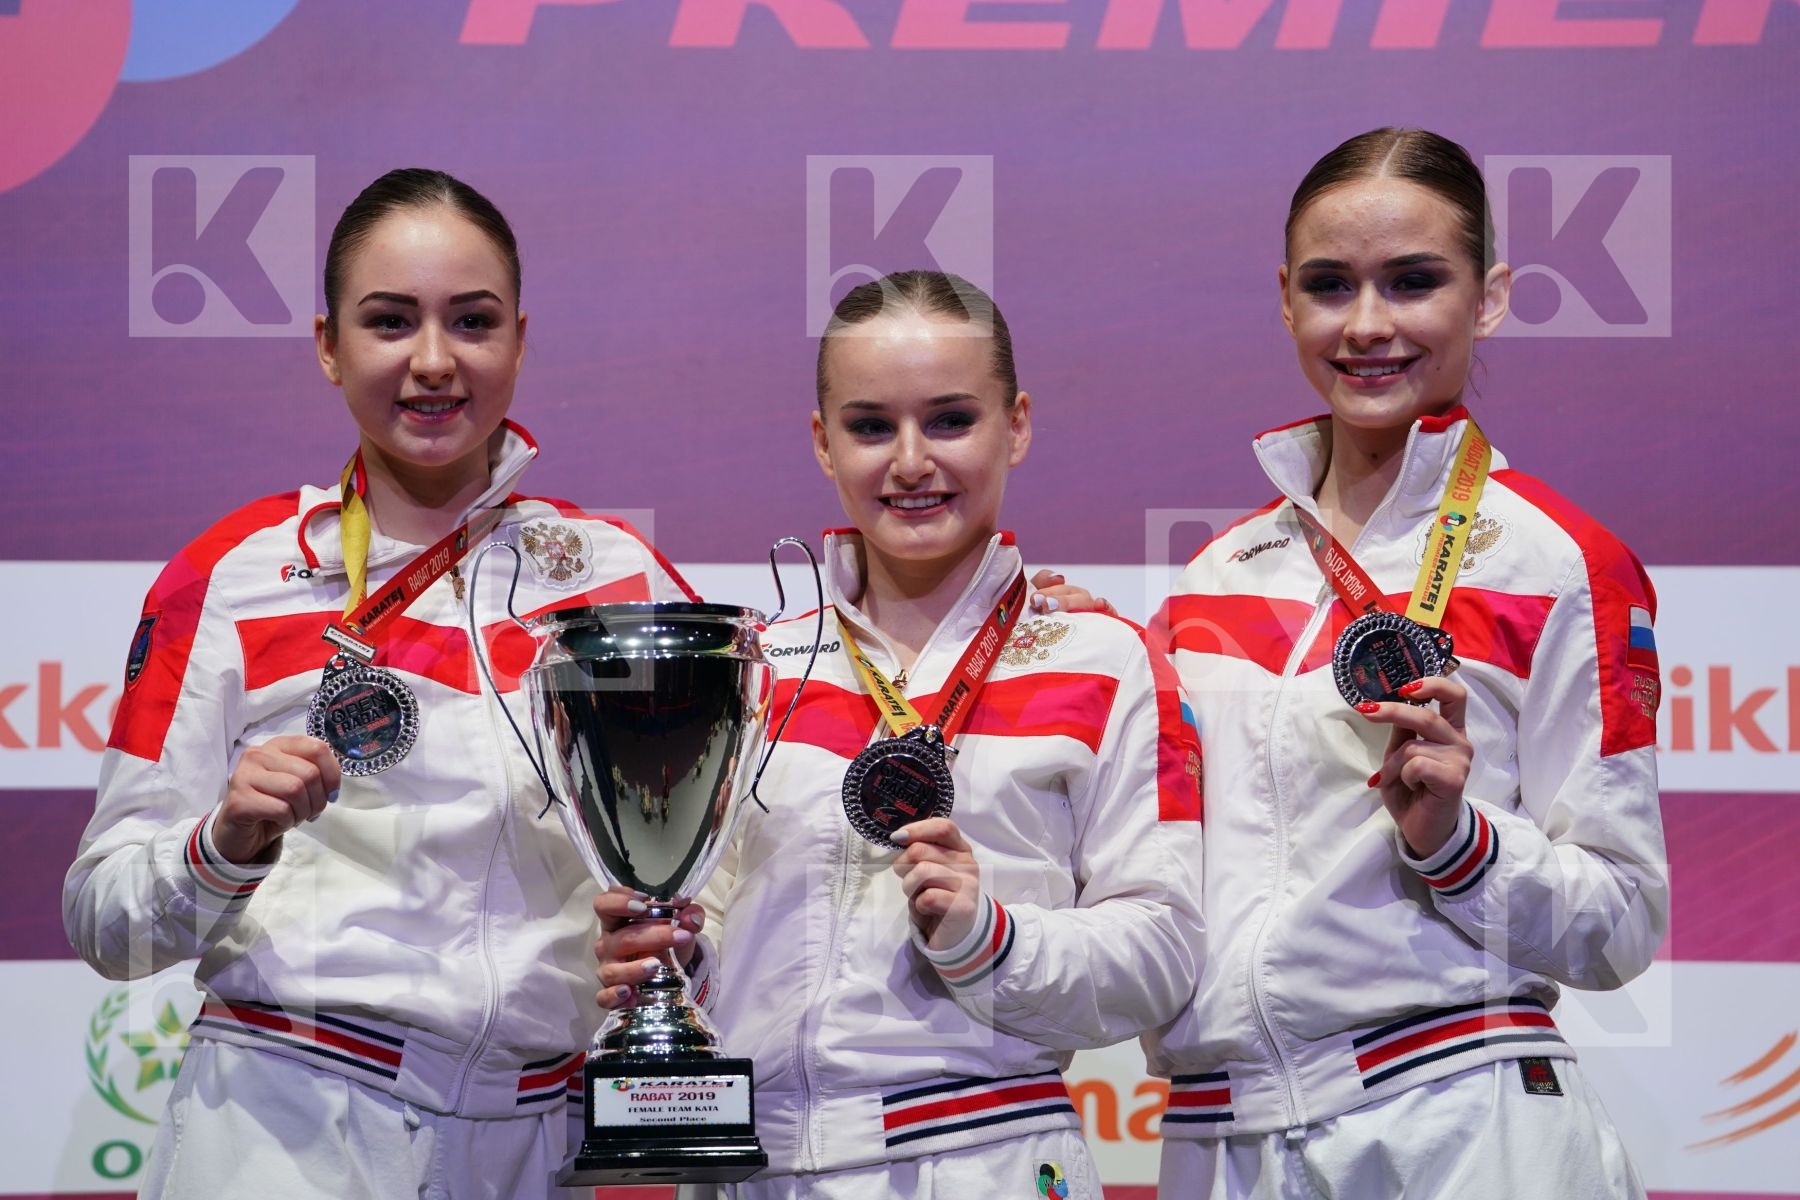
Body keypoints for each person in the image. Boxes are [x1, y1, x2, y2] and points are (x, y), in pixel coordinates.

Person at [63, 168, 696, 1199]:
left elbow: (730, 857)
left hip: (541, 1146)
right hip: (287, 1128)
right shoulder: (232, 577)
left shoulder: (621, 578)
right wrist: (221, 847)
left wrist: (672, 943)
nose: (434, 361)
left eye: (474, 321)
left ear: (522, 341)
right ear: (328, 345)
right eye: (390, 321)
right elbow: (109, 922)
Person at [593, 270, 1207, 1199]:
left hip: (984, 1158)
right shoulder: (756, 669)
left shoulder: (1106, 660)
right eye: (872, 426)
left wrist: (988, 937)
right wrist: (675, 955)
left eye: (951, 420)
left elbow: (1161, 952)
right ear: (822, 442)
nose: (911, 460)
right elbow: (712, 910)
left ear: (1019, 424)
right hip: (759, 1168)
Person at [1138, 129, 1668, 1197]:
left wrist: (1459, 840)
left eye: (1414, 281)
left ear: (1490, 297)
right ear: (1286, 298)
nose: (1368, 324)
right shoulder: (1215, 575)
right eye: (1332, 285)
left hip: (1454, 1133)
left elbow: (1621, 922)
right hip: (1225, 1143)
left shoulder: (1561, 562)